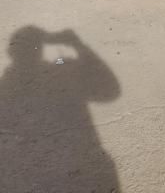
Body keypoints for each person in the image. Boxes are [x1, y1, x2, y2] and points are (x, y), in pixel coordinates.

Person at [0, 26, 121, 192]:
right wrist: (78, 45)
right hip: (79, 154)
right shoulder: (54, 66)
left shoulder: (7, 83)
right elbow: (110, 91)